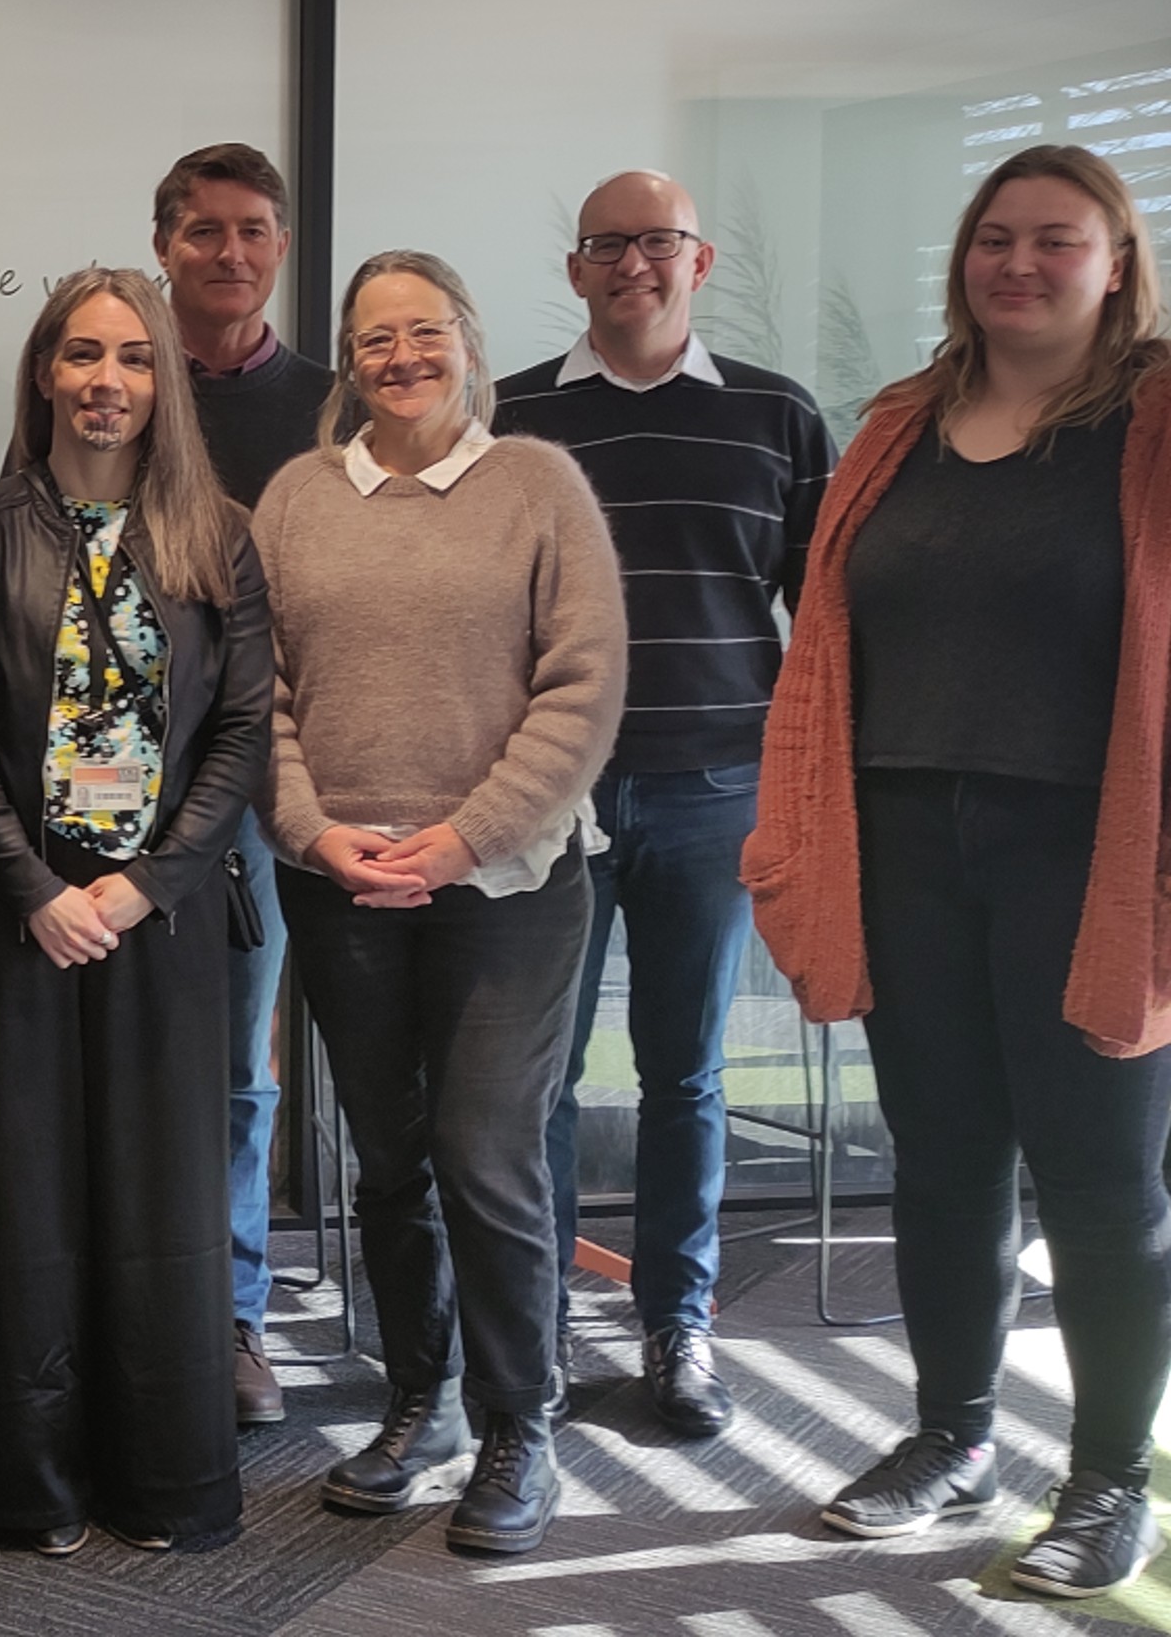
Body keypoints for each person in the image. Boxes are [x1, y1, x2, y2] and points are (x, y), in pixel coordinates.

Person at [745, 144, 1171, 1600]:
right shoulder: (901, 425)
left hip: (1085, 848)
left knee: (1102, 1181)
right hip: (906, 839)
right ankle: (952, 1438)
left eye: (1059, 241)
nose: (1022, 265)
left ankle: (1112, 1476)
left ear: (1116, 263)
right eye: (998, 238)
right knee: (939, 1165)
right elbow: (831, 629)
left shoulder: (1157, 424)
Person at [253, 250, 626, 1558]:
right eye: (373, 339)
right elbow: (266, 697)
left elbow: (583, 686)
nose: (400, 357)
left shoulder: (538, 487)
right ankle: (421, 1401)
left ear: (467, 340)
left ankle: (519, 1422)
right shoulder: (298, 498)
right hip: (344, 888)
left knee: (486, 1155)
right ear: (347, 364)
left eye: (423, 332)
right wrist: (310, 828)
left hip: (511, 888)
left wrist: (467, 838)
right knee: (391, 1161)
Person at [0, 268, 268, 1555]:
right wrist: (35, 888)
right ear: (42, 375)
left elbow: (237, 733)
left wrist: (144, 883)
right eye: (79, 356)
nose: (104, 381)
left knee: (157, 1201)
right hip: (16, 914)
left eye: (129, 358)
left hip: (159, 919)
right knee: (19, 1197)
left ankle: (163, 1484)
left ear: (159, 382)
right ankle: (21, 1487)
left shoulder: (214, 536)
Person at [495, 171, 833, 1441]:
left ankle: (674, 1324)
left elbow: (826, 624)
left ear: (698, 263)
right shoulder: (512, 418)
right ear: (575, 269)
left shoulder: (775, 417)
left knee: (685, 1073)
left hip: (711, 792)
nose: (631, 263)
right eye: (605, 245)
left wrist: (804, 788)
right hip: (549, 803)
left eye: (656, 243)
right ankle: (529, 1316)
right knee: (535, 1079)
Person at [150, 141, 338, 1427]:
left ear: (279, 247)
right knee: (102, 1050)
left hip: (268, 779)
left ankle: (228, 1319)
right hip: (104, 781)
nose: (229, 253)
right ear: (163, 241)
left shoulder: (330, 407)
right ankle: (112, 1302)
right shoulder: (109, 375)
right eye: (204, 230)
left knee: (237, 1069)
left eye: (252, 232)